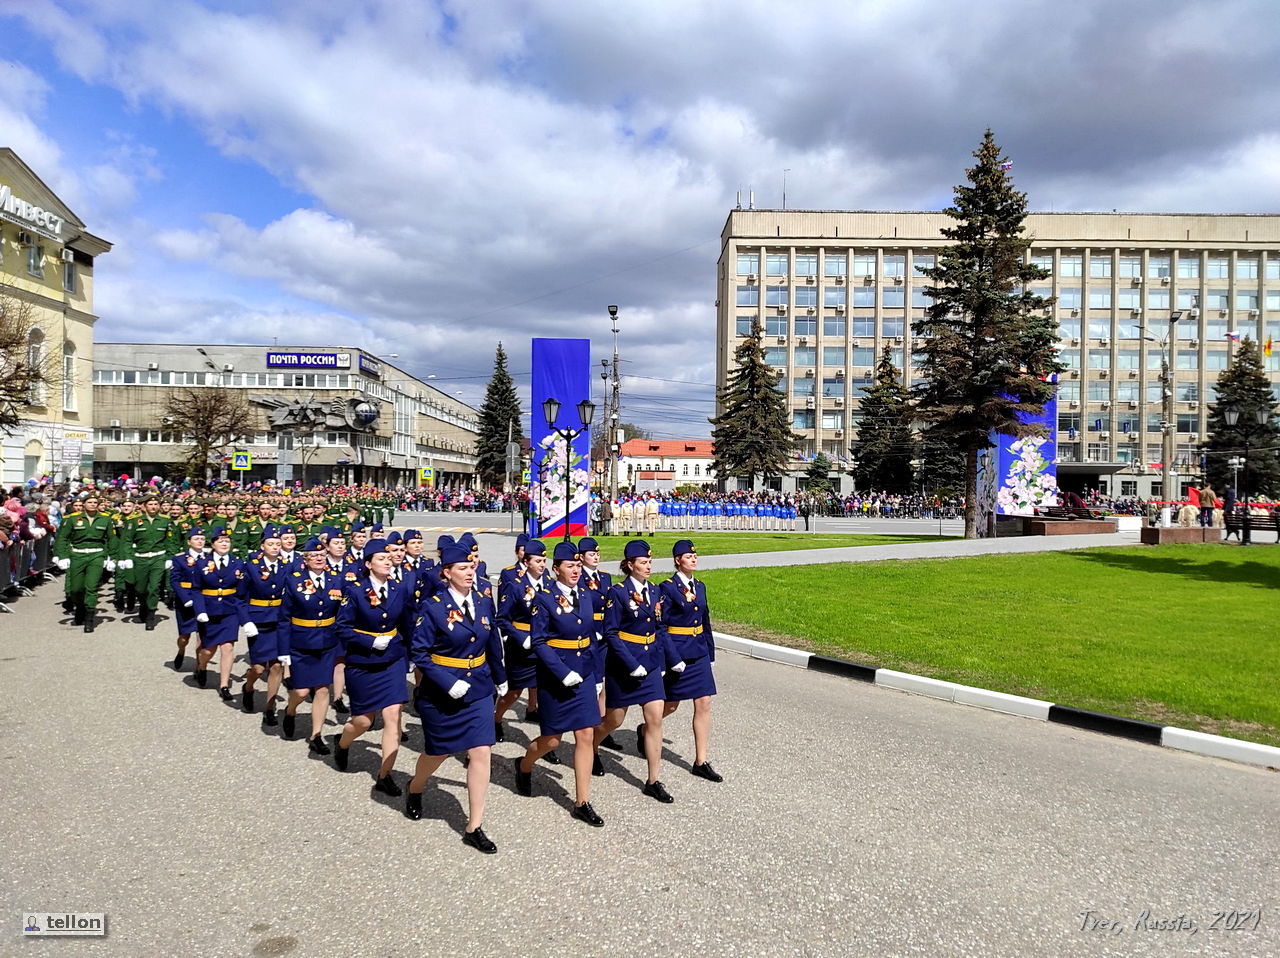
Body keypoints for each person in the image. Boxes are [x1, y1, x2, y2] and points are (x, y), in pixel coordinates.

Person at [404, 543, 508, 855]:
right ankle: (416, 786)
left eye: (472, 566)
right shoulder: (433, 607)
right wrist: (448, 682)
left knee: (480, 751)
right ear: (447, 573)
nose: (469, 572)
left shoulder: (483, 601)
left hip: (478, 688)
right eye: (462, 568)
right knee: (438, 752)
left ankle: (473, 825)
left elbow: (492, 642)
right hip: (441, 691)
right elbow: (419, 654)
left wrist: (500, 677)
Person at [515, 541, 606, 827]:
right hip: (556, 676)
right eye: (570, 566)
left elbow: (590, 638)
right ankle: (524, 764)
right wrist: (562, 672)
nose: (576, 570)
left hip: (584, 674)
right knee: (553, 740)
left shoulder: (587, 595)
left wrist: (595, 676)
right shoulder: (544, 598)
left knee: (586, 736)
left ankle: (582, 800)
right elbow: (539, 642)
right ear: (556, 570)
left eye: (579, 565)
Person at [596, 539, 679, 803]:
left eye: (650, 562)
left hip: (651, 664)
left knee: (654, 718)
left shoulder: (654, 592)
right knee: (614, 720)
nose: (648, 567)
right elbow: (610, 632)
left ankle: (653, 780)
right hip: (624, 665)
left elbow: (659, 629)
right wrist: (632, 665)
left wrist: (665, 662)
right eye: (643, 563)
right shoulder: (618, 593)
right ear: (630, 565)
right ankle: (591, 746)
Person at [332, 538, 415, 796]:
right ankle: (343, 743)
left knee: (394, 715)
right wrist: (369, 640)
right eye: (381, 559)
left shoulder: (399, 588)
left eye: (389, 558)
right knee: (363, 721)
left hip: (392, 659)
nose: (388, 562)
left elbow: (408, 622)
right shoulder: (355, 591)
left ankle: (384, 775)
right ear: (368, 564)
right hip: (363, 662)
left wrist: (412, 654)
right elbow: (341, 628)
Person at [656, 540, 722, 782]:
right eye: (688, 556)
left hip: (699, 652)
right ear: (677, 561)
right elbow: (661, 626)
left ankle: (701, 761)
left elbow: (706, 622)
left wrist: (711, 654)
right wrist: (671, 658)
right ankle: (647, 728)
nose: (693, 559)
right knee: (671, 705)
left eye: (695, 556)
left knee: (703, 703)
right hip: (678, 653)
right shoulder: (667, 588)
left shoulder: (700, 586)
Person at [280, 537, 344, 754]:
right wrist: (283, 651)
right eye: (313, 556)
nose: (318, 558)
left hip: (327, 641)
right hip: (301, 642)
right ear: (305, 560)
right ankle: (290, 711)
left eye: (322, 555)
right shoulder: (293, 580)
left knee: (323, 689)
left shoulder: (336, 579)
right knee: (300, 691)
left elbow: (342, 612)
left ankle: (316, 735)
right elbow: (284, 618)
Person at [494, 539, 551, 750]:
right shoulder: (515, 585)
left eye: (544, 560)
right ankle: (496, 719)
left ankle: (546, 741)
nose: (542, 564)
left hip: (544, 646)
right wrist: (519, 637)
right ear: (526, 562)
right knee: (514, 692)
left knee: (546, 692)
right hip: (521, 646)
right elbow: (501, 619)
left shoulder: (550, 584)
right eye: (537, 560)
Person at [191, 526, 250, 700]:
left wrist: (244, 615)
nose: (224, 543)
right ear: (213, 544)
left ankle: (224, 685)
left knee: (228, 647)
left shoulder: (238, 563)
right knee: (208, 650)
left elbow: (242, 591)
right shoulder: (202, 562)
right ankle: (201, 666)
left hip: (229, 609)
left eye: (227, 541)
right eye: (220, 541)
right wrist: (199, 610)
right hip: (208, 610)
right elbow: (196, 589)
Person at [241, 525, 290, 723]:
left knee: (276, 666)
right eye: (270, 544)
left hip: (279, 619)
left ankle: (270, 707)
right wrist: (246, 621)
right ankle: (249, 686)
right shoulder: (251, 566)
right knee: (259, 668)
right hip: (258, 620)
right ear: (262, 546)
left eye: (278, 544)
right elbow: (239, 597)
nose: (275, 547)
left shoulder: (286, 566)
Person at [578, 536, 620, 755]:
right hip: (587, 633)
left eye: (597, 554)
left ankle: (602, 729)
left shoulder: (605, 578)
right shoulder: (578, 578)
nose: (596, 557)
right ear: (582, 557)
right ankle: (590, 729)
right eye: (591, 554)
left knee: (604, 682)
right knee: (593, 682)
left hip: (605, 633)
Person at [52, 491, 116, 633]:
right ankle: (80, 607)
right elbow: (63, 538)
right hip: (77, 555)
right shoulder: (73, 519)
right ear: (84, 505)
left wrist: (112, 557)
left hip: (96, 555)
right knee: (75, 589)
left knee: (91, 587)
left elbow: (112, 539)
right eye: (90, 502)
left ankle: (89, 617)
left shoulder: (106, 519)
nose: (93, 505)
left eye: (95, 503)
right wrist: (62, 556)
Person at [118, 494, 174, 630]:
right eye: (150, 504)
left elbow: (170, 541)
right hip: (140, 558)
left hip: (158, 558)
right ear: (143, 506)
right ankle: (143, 605)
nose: (153, 507)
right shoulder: (134, 522)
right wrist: (127, 558)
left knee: (154, 587)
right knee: (140, 588)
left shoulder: (165, 521)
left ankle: (151, 614)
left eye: (156, 504)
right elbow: (126, 541)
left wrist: (169, 558)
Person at [170, 527, 207, 670]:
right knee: (185, 637)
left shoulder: (209, 558)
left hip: (204, 599)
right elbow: (174, 581)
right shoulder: (180, 559)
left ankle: (200, 667)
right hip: (186, 598)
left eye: (202, 539)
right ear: (189, 542)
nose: (200, 541)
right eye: (196, 539)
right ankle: (181, 650)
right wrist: (185, 598)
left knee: (202, 636)